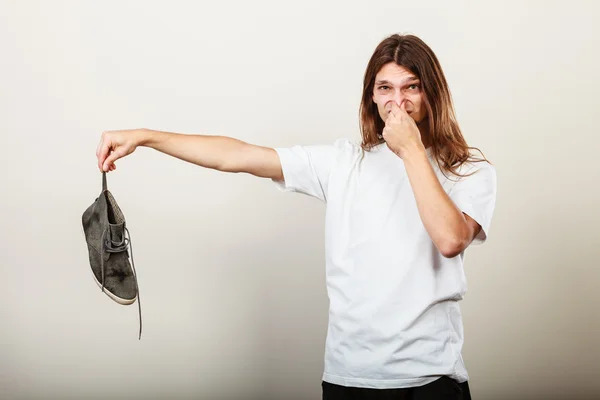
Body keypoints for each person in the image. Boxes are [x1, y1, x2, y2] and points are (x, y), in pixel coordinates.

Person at [96, 33, 496, 400]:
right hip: (350, 378)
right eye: (385, 88)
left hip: (431, 379)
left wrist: (411, 151)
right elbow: (236, 156)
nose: (398, 101)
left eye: (412, 87)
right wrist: (146, 137)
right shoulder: (345, 163)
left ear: (432, 93)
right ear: (371, 97)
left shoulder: (470, 170)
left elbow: (449, 239)